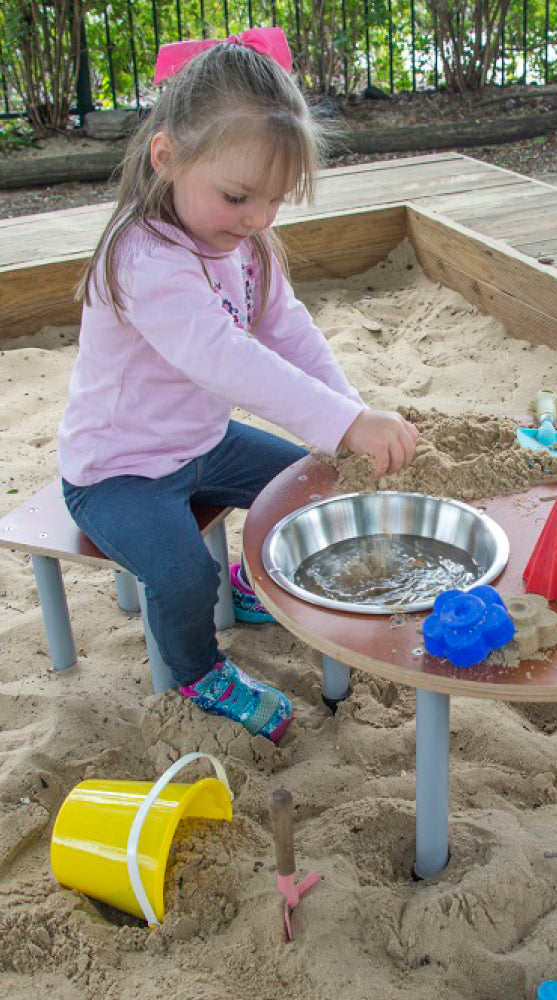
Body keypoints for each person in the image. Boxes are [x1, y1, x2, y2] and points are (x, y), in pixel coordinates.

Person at [57, 27, 417, 743]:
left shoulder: (243, 244)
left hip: (202, 442)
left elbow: (288, 330)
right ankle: (199, 671)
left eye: (275, 201)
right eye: (237, 196)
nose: (256, 218)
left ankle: (251, 579)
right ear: (168, 158)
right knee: (188, 576)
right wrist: (345, 424)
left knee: (309, 481)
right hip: (119, 471)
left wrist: (351, 414)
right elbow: (228, 360)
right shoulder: (143, 257)